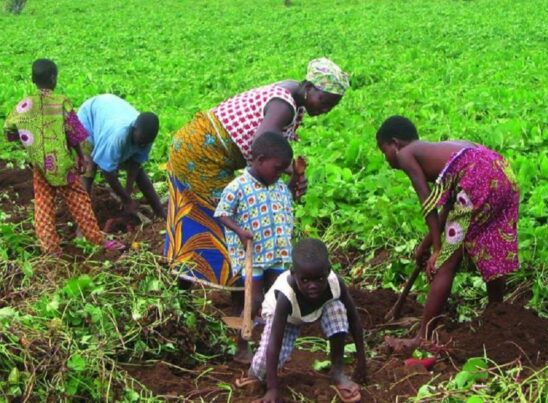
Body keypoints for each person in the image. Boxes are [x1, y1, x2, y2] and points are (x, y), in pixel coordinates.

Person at [165, 57, 349, 289]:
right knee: (233, 222)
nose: (324, 110)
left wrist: (292, 172)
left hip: (193, 145)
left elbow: (266, 151)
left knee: (201, 216)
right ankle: (240, 293)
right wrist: (290, 172)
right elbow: (262, 144)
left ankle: (187, 286)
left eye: (331, 107)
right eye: (324, 101)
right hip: (201, 156)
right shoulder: (285, 106)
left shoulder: (293, 90)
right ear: (309, 87)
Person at [375, 116, 520, 352]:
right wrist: (427, 243)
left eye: (385, 152)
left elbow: (428, 204)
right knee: (491, 242)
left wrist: (438, 249)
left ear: (395, 143)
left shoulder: (406, 154)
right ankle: (497, 312)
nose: (387, 160)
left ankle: (423, 336)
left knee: (446, 263)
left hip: (477, 179)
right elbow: (450, 205)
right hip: (501, 174)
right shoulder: (441, 152)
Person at [3, 59, 123, 255]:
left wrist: (28, 142)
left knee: (43, 206)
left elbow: (8, 129)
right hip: (62, 165)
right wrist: (80, 156)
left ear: (33, 79)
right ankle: (97, 241)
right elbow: (73, 132)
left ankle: (51, 251)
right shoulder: (60, 102)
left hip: (40, 165)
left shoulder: (24, 105)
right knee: (79, 201)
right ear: (53, 78)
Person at [236, 238, 367, 403]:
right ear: (293, 274)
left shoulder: (335, 284)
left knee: (337, 309)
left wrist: (362, 361)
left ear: (328, 271)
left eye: (319, 279)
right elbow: (274, 343)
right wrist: (273, 388)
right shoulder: (285, 295)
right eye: (305, 280)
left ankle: (337, 372)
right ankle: (254, 374)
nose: (312, 286)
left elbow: (354, 320)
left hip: (319, 309)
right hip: (288, 319)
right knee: (263, 366)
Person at [214, 132, 295, 364]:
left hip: (277, 252)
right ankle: (242, 346)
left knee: (277, 299)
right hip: (253, 256)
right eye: (277, 168)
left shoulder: (278, 186)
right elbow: (222, 212)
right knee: (255, 299)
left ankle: (270, 343)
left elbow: (286, 204)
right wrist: (240, 231)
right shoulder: (238, 186)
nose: (279, 174)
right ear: (259, 160)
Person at [76, 94, 164, 219]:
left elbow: (135, 165)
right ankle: (83, 222)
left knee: (139, 173)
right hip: (89, 119)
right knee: (88, 172)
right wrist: (127, 200)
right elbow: (107, 172)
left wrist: (127, 192)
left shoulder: (146, 137)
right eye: (141, 140)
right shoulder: (119, 137)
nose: (142, 145)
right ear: (134, 129)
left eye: (145, 143)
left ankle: (161, 213)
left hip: (110, 114)